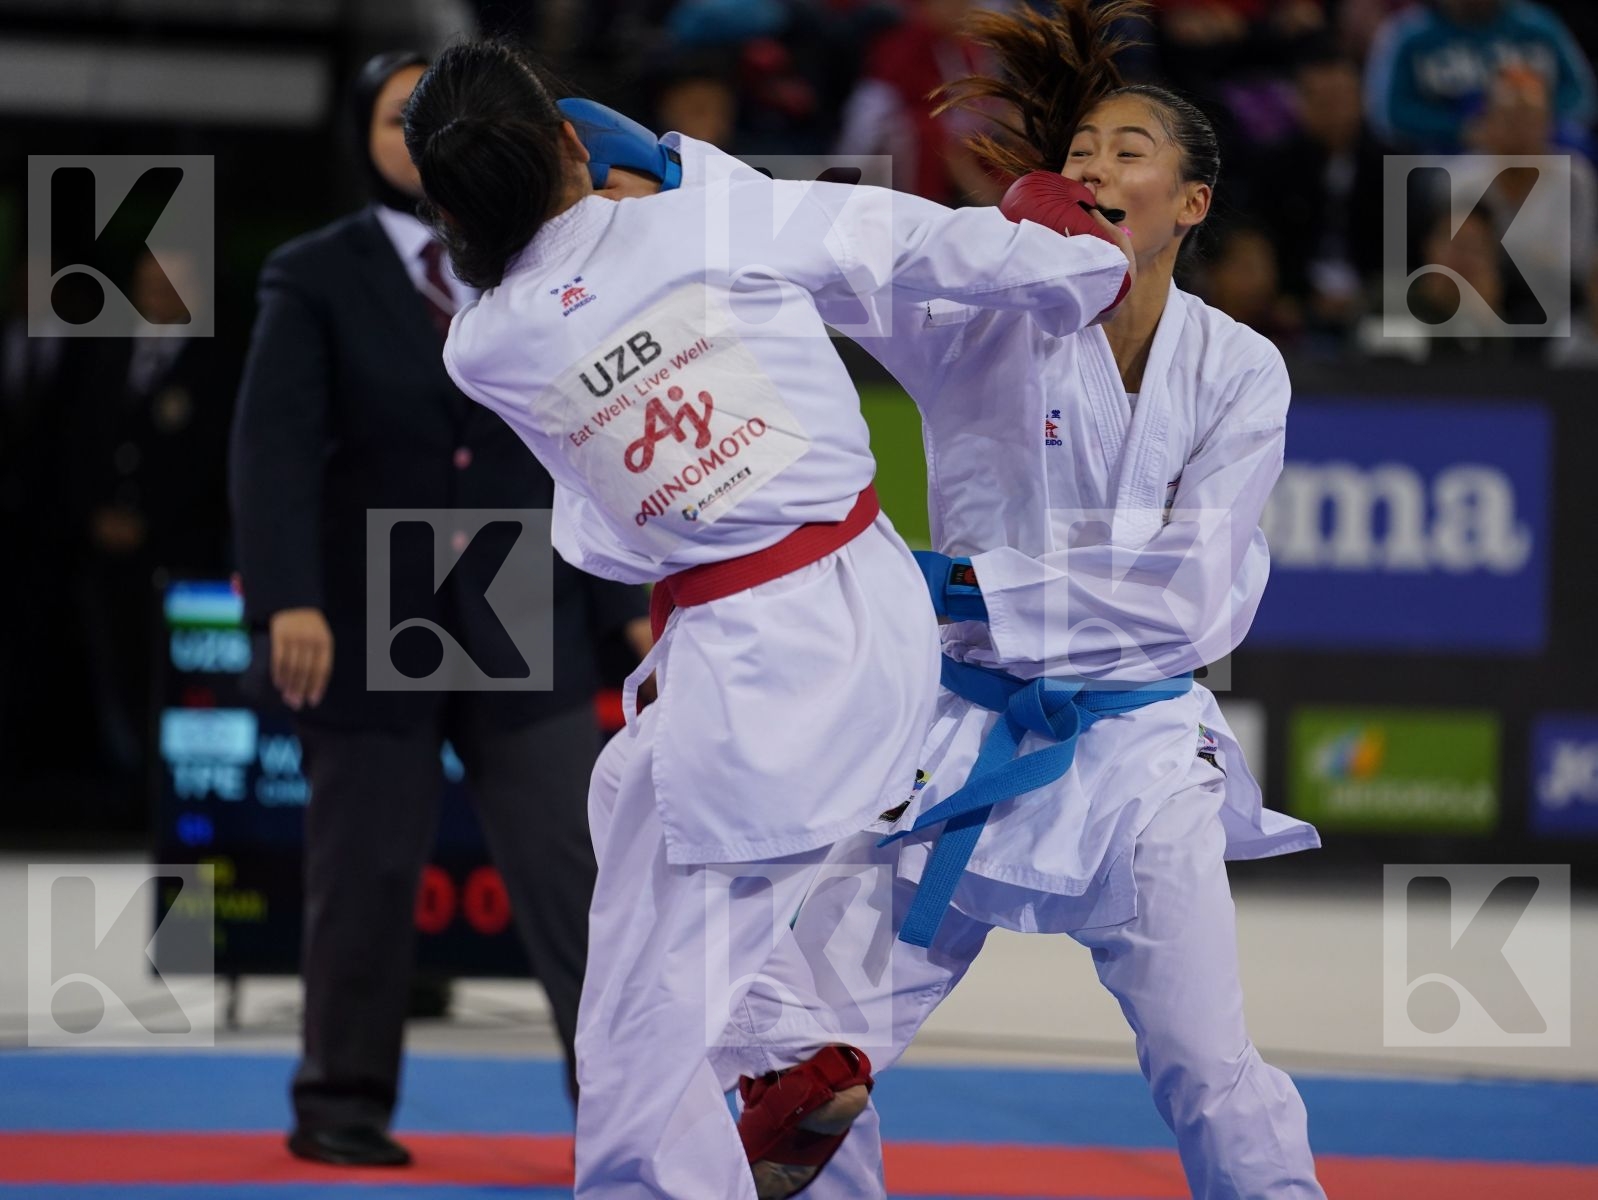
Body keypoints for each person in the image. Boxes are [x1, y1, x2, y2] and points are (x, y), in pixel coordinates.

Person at [400, 37, 1136, 1200]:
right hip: (863, 615)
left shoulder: (482, 347)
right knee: (635, 823)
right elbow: (922, 246)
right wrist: (1070, 253)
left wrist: (645, 172)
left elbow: (600, 535)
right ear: (566, 145)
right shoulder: (703, 219)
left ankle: (746, 1090)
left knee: (642, 1025)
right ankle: (796, 1057)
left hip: (755, 661)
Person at [670, 1, 1323, 1195]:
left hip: (1136, 756)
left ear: (1190, 203)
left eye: (1128, 153)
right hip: (958, 739)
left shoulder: (1237, 368)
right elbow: (839, 241)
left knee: (1202, 1061)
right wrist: (677, 169)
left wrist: (962, 581)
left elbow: (1186, 598)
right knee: (803, 1051)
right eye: (1076, 155)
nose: (1092, 168)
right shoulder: (979, 317)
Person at [229, 51, 649, 1169]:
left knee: (575, 871)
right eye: (395, 119)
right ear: (365, 139)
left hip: (523, 586)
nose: (416, 136)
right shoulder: (314, 273)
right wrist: (286, 605)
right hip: (369, 598)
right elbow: (271, 454)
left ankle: (622, 1107)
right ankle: (339, 1102)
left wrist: (626, 604)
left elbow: (587, 441)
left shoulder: (539, 262)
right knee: (361, 870)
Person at [1365, 0, 1596, 153]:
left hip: (1539, 149)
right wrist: (1461, 130)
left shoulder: (1537, 25)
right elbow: (1388, 114)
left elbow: (1581, 95)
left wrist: (1529, 125)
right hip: (1443, 155)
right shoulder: (1408, 33)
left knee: (1579, 157)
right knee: (1396, 180)